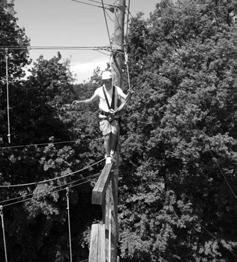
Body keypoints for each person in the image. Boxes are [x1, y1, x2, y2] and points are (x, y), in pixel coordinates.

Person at [72, 70, 128, 164]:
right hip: (103, 116)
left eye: (108, 80)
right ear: (103, 81)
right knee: (106, 136)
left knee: (114, 134)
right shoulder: (99, 91)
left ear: (111, 80)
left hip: (114, 116)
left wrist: (130, 94)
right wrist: (80, 102)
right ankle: (108, 157)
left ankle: (112, 151)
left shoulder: (116, 89)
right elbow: (90, 100)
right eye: (105, 81)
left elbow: (125, 98)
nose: (107, 83)